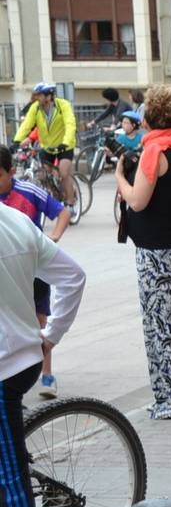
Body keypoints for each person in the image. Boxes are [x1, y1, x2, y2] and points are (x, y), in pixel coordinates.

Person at [0, 200, 86, 507]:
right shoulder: (16, 220)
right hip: (25, 357)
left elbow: (72, 278)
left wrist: (50, 333)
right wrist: (50, 336)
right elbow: (73, 276)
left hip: (3, 370)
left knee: (10, 485)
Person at [114, 85, 171, 421]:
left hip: (159, 255)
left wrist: (120, 178)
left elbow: (137, 199)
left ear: (148, 120)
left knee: (162, 326)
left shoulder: (155, 152)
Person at [0, 147, 70, 399]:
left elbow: (63, 212)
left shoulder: (30, 192)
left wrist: (54, 237)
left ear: (11, 172)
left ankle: (47, 373)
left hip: (34, 267)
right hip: (8, 270)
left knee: (39, 322)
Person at [13, 82, 77, 208]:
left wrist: (66, 142)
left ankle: (71, 203)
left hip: (65, 146)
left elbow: (70, 124)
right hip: (47, 147)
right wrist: (16, 141)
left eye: (40, 95)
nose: (36, 98)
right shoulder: (35, 108)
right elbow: (27, 125)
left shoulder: (63, 105)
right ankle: (56, 196)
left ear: (49, 96)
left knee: (64, 173)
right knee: (43, 176)